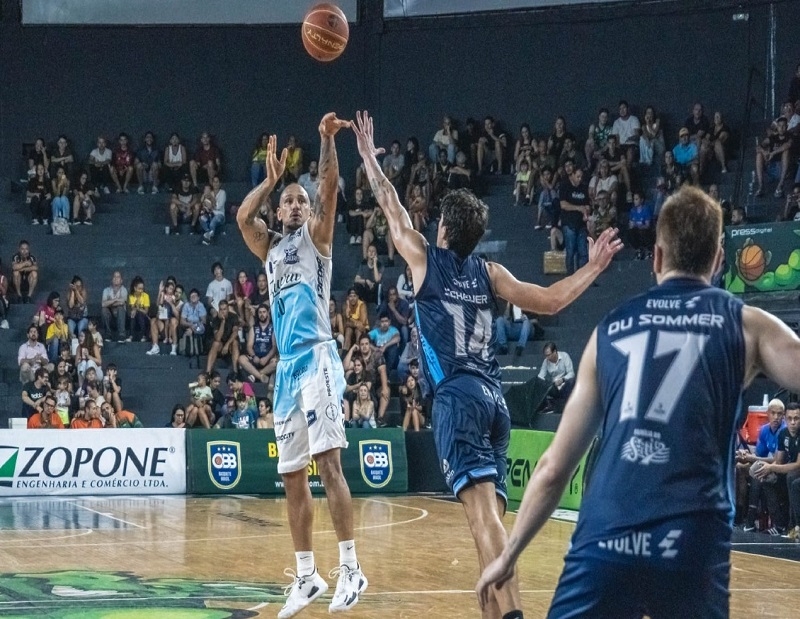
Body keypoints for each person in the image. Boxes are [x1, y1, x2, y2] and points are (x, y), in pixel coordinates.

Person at [476, 185, 800, 618]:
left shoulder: (611, 330)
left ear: (657, 258)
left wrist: (508, 554)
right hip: (690, 543)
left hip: (606, 537)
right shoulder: (747, 325)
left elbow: (554, 468)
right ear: (719, 260)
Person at [352, 110, 621, 619]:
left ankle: (517, 614)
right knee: (484, 527)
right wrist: (593, 266)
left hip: (456, 397)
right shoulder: (490, 271)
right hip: (495, 402)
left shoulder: (425, 258)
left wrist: (368, 157)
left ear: (446, 227)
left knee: (483, 524)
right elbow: (550, 300)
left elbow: (390, 206)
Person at [236, 117, 367, 617]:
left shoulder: (317, 238)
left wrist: (327, 140)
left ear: (310, 211)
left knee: (329, 463)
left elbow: (330, 185)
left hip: (317, 358)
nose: (295, 205)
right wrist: (269, 181)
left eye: (300, 200)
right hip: (286, 371)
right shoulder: (269, 246)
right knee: (292, 476)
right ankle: (307, 575)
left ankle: (351, 568)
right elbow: (242, 219)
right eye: (288, 200)